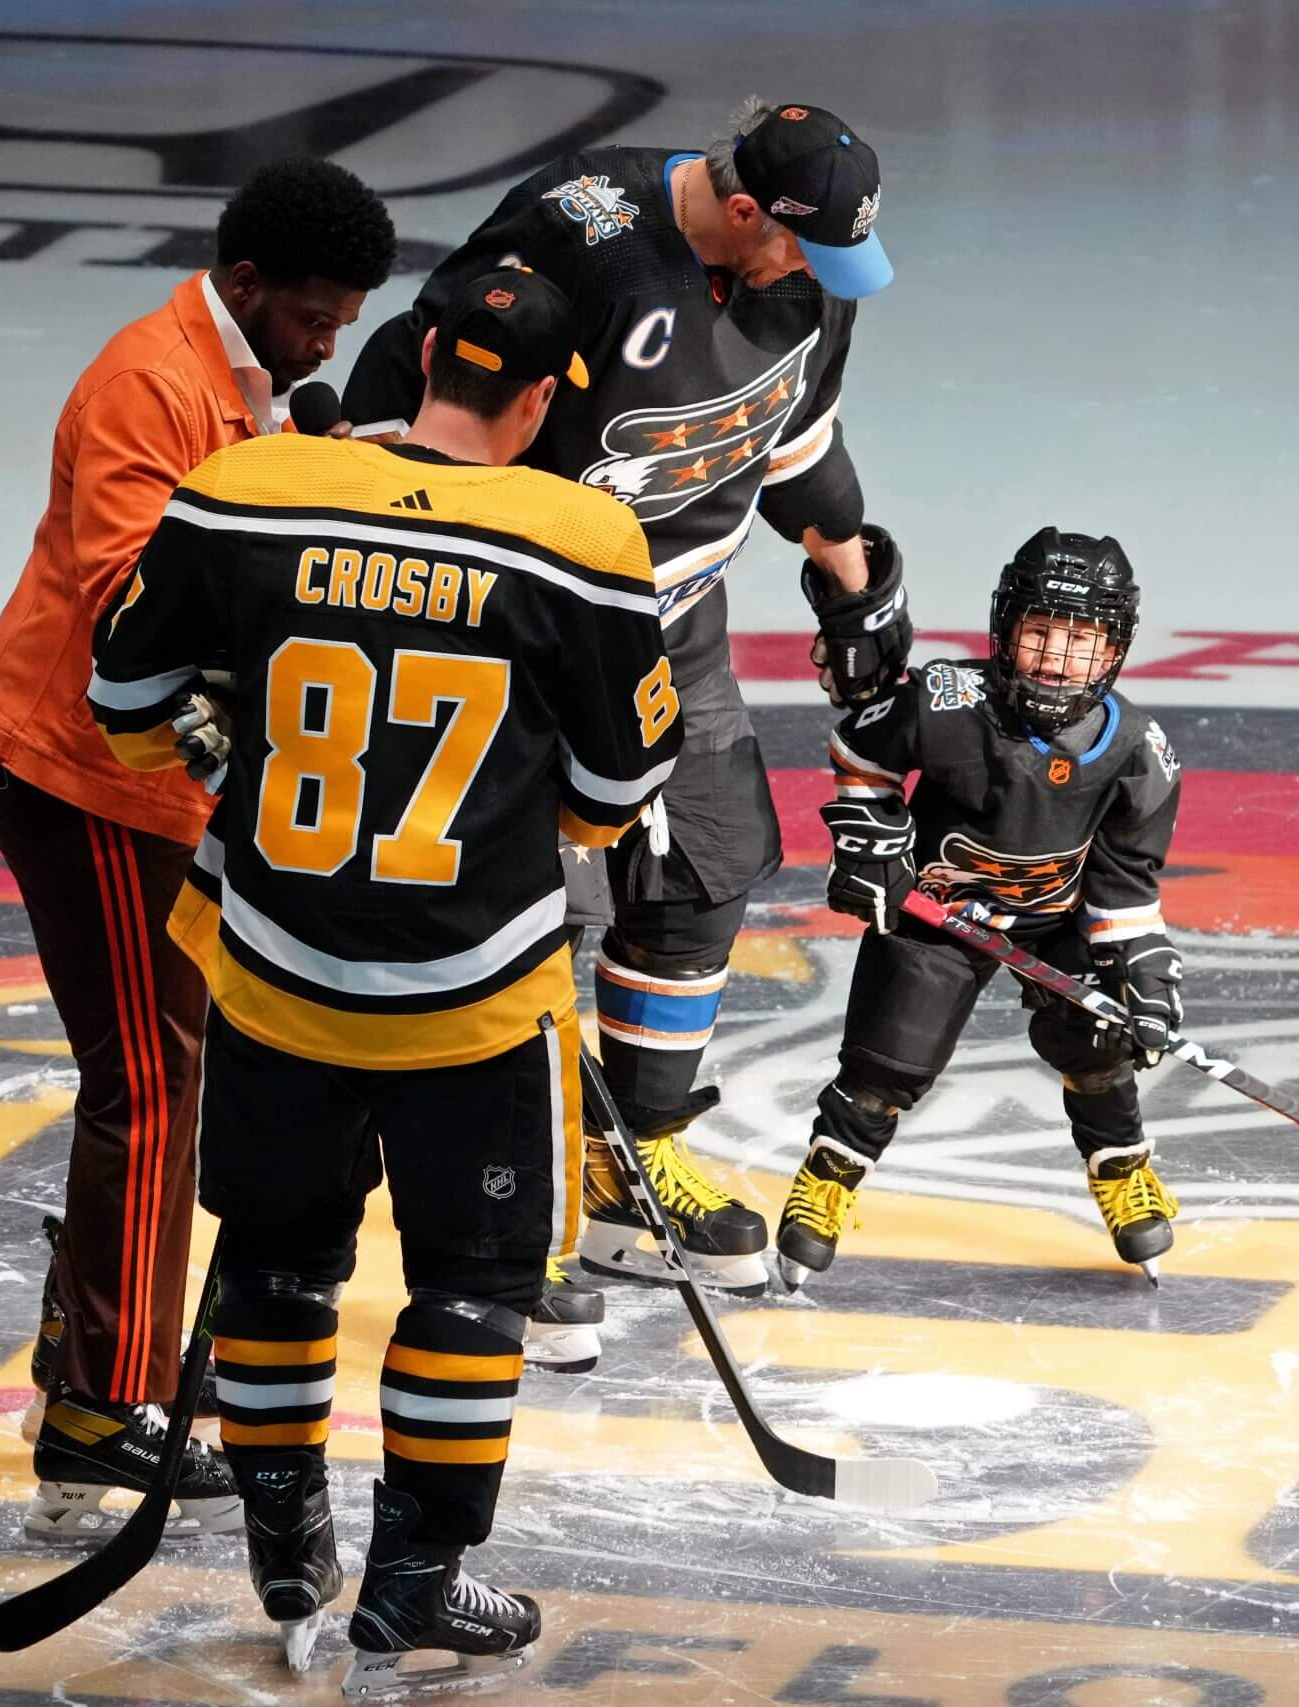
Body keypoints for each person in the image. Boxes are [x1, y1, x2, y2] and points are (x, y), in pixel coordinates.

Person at [88, 269, 679, 1689]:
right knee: (472, 1285)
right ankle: (415, 1580)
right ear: (540, 404)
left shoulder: (250, 487)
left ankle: (286, 1540)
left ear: (419, 362)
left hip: (275, 972)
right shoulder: (581, 534)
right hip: (474, 996)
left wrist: (232, 758)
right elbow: (617, 790)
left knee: (277, 1259)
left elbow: (123, 699)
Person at [342, 97, 906, 1299]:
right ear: (743, 211)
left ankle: (629, 1158)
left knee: (703, 873)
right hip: (525, 633)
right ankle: (511, 1211)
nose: (821, 275)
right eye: (806, 247)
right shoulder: (582, 237)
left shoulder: (813, 280)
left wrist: (856, 589)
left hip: (674, 630)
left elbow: (790, 441)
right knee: (523, 924)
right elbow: (423, 376)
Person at [0, 157, 396, 1540]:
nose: (327, 348)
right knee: (148, 1082)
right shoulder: (147, 385)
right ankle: (105, 1404)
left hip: (154, 778)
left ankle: (93, 1362)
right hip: (82, 772)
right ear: (247, 285)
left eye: (343, 324)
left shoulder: (258, 388)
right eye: (314, 320)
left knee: (167, 1071)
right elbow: (125, 601)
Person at [778, 529, 1184, 1286]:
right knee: (882, 1071)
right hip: (937, 914)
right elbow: (862, 749)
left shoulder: (1139, 751)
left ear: (1115, 649)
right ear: (1005, 627)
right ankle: (825, 1185)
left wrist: (1143, 972)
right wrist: (872, 839)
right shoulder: (947, 702)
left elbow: (1126, 881)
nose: (1058, 658)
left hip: (1054, 921)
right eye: (1041, 632)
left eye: (1082, 641)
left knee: (1101, 1047)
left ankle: (1123, 1169)